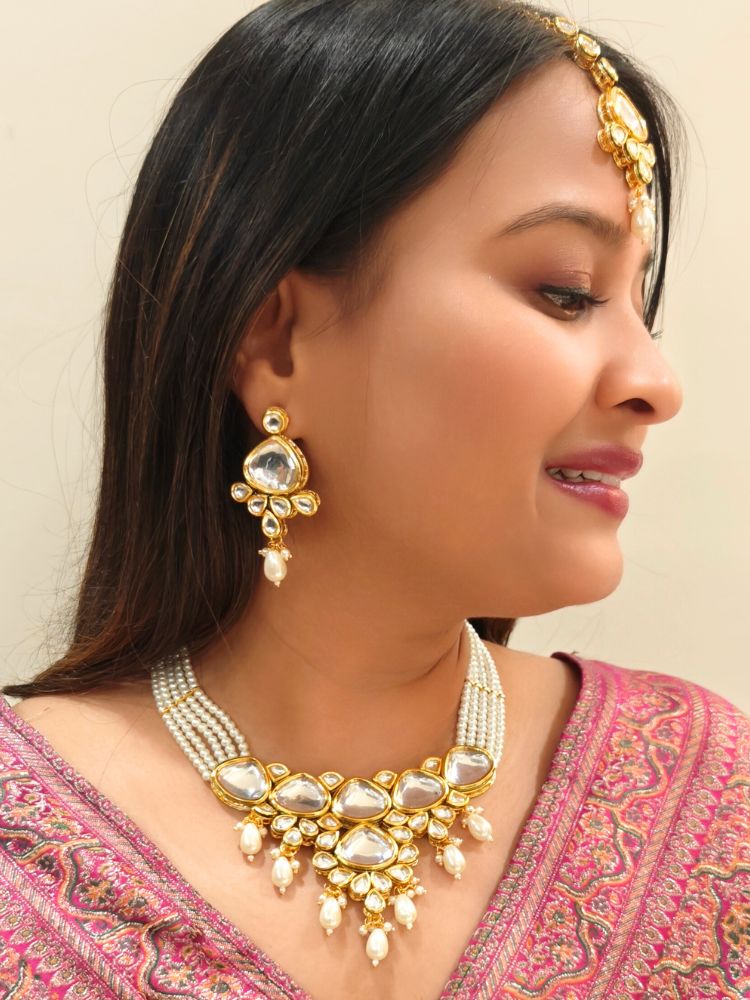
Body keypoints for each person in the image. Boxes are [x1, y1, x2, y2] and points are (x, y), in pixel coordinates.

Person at [1, 1, 747, 997]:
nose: (655, 378)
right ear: (277, 343)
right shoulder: (27, 858)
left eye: (636, 301)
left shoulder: (704, 796)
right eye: (567, 290)